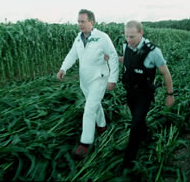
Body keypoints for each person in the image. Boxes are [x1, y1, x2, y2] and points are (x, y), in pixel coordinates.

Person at [56, 9, 119, 158]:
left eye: (82, 21)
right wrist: (63, 68)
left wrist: (113, 79)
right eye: (78, 21)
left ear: (92, 22)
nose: (80, 24)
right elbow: (72, 55)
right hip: (85, 80)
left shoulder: (102, 37)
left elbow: (113, 57)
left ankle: (85, 143)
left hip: (99, 78)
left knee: (89, 109)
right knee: (95, 105)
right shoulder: (78, 38)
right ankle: (102, 126)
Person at [119, 20, 175, 170]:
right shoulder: (126, 45)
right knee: (138, 120)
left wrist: (170, 94)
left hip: (144, 94)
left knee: (135, 124)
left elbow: (165, 72)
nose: (129, 40)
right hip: (130, 92)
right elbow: (128, 60)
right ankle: (146, 136)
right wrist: (112, 59)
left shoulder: (153, 51)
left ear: (141, 33)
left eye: (132, 37)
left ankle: (128, 163)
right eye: (127, 36)